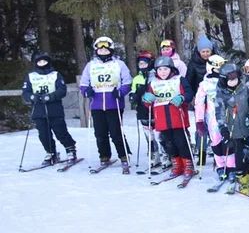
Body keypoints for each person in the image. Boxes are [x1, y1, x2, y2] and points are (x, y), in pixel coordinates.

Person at [79, 36, 133, 172]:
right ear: (96, 50)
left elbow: (127, 82)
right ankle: (104, 156)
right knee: (100, 133)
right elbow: (84, 84)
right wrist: (87, 92)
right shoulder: (91, 65)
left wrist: (121, 92)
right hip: (96, 104)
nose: (103, 51)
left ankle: (124, 155)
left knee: (116, 132)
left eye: (106, 49)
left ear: (111, 50)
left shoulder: (119, 64)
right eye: (100, 49)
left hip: (113, 103)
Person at [141, 55, 195, 179]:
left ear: (171, 69)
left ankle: (187, 164)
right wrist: (146, 99)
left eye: (165, 69)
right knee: (168, 143)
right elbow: (147, 101)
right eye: (160, 70)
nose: (163, 72)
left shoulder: (179, 79)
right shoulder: (153, 83)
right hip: (162, 120)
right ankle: (176, 164)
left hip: (177, 118)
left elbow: (189, 93)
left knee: (181, 142)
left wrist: (182, 98)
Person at [22, 51, 77, 167]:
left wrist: (50, 96)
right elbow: (26, 92)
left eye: (44, 61)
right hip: (38, 109)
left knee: (60, 131)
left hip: (54, 108)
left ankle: (70, 149)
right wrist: (32, 97)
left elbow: (62, 90)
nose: (42, 63)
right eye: (39, 61)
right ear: (36, 63)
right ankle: (51, 152)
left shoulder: (55, 74)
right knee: (43, 134)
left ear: (48, 62)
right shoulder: (31, 76)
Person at [207, 63, 249, 195]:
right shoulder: (221, 93)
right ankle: (241, 178)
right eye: (229, 80)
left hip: (247, 126)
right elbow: (219, 112)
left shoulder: (245, 89)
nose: (233, 82)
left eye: (235, 79)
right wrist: (224, 130)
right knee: (239, 156)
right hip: (234, 130)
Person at [130, 50, 163, 169]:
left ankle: (165, 155)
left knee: (160, 134)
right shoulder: (137, 79)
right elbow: (132, 92)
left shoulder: (156, 76)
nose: (143, 66)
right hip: (143, 110)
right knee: (149, 135)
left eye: (145, 63)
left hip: (156, 109)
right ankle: (154, 155)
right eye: (140, 64)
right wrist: (133, 97)